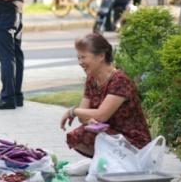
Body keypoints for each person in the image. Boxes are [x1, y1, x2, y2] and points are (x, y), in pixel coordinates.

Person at [60, 33, 151, 174]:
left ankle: (117, 164)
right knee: (76, 136)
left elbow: (101, 115)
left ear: (101, 56)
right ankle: (104, 162)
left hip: (134, 141)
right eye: (78, 57)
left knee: (88, 133)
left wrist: (73, 111)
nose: (80, 62)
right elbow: (84, 116)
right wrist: (86, 116)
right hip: (111, 134)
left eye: (84, 57)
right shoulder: (92, 79)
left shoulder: (119, 80)